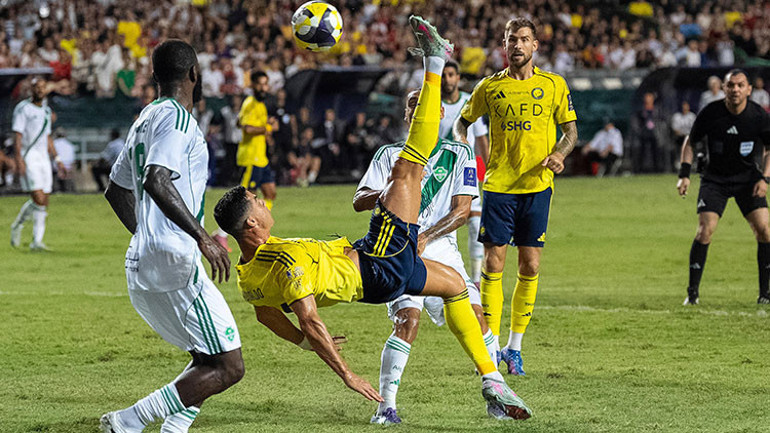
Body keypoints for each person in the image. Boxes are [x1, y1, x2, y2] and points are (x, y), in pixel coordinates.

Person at [214, 16, 531, 421]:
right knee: (409, 167)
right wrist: (345, 373)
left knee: (454, 287)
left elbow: (265, 313)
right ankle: (435, 62)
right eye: (256, 202)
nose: (262, 203)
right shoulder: (286, 265)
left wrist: (300, 343)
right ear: (251, 227)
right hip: (379, 263)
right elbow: (309, 318)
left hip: (379, 270)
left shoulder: (248, 279)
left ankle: (492, 381)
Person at [101, 39, 244, 433]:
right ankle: (128, 421)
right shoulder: (177, 120)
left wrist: (144, 235)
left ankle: (173, 429)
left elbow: (116, 190)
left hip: (145, 260)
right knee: (230, 366)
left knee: (207, 356)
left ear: (153, 76)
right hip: (174, 261)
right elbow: (156, 179)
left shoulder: (144, 118)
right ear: (194, 75)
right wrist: (202, 237)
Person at [353, 88, 495, 424]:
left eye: (425, 106)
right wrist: (389, 190)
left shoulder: (459, 152)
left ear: (440, 114)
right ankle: (386, 407)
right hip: (396, 245)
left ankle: (496, 392)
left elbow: (463, 211)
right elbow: (358, 199)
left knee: (476, 317)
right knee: (408, 322)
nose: (418, 112)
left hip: (441, 247)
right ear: (406, 116)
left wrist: (427, 235)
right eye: (412, 107)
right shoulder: (389, 155)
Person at [453, 17, 578, 376]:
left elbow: (571, 132)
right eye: (511, 40)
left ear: (536, 45)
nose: (517, 46)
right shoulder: (489, 88)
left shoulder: (554, 85)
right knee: (493, 264)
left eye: (524, 39)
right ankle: (490, 347)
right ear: (504, 45)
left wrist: (560, 154)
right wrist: (463, 148)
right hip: (498, 186)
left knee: (531, 266)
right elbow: (463, 122)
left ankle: (514, 347)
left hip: (537, 187)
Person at [677, 69, 770, 305]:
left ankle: (765, 295)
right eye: (731, 85)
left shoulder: (758, 116)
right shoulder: (711, 112)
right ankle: (692, 294)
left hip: (748, 179)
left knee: (765, 230)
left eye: (740, 85)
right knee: (705, 231)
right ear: (724, 88)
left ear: (749, 89)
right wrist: (684, 175)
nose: (735, 89)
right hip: (715, 179)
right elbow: (690, 140)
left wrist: (765, 179)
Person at [439, 59, 489, 286]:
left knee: (476, 224)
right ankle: (448, 276)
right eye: (444, 75)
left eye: (451, 75)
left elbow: (481, 139)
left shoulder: (469, 102)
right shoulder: (433, 104)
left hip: (465, 171)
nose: (447, 79)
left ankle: (477, 280)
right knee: (446, 226)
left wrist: (487, 172)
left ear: (458, 78)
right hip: (440, 174)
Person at [10, 77, 65, 250]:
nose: (40, 90)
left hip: (43, 158)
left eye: (42, 87)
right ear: (31, 90)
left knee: (44, 200)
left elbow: (47, 137)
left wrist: (57, 159)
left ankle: (36, 241)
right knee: (38, 198)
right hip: (29, 155)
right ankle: (20, 227)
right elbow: (17, 135)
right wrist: (18, 159)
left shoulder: (47, 111)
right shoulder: (23, 109)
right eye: (37, 88)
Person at [237, 70, 277, 210]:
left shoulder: (260, 105)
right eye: (260, 84)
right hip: (250, 157)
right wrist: (268, 128)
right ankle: (223, 232)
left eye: (266, 84)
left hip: (261, 157)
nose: (264, 88)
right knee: (248, 197)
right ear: (253, 85)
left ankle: (260, 223)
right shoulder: (250, 103)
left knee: (270, 192)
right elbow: (248, 129)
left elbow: (239, 122)